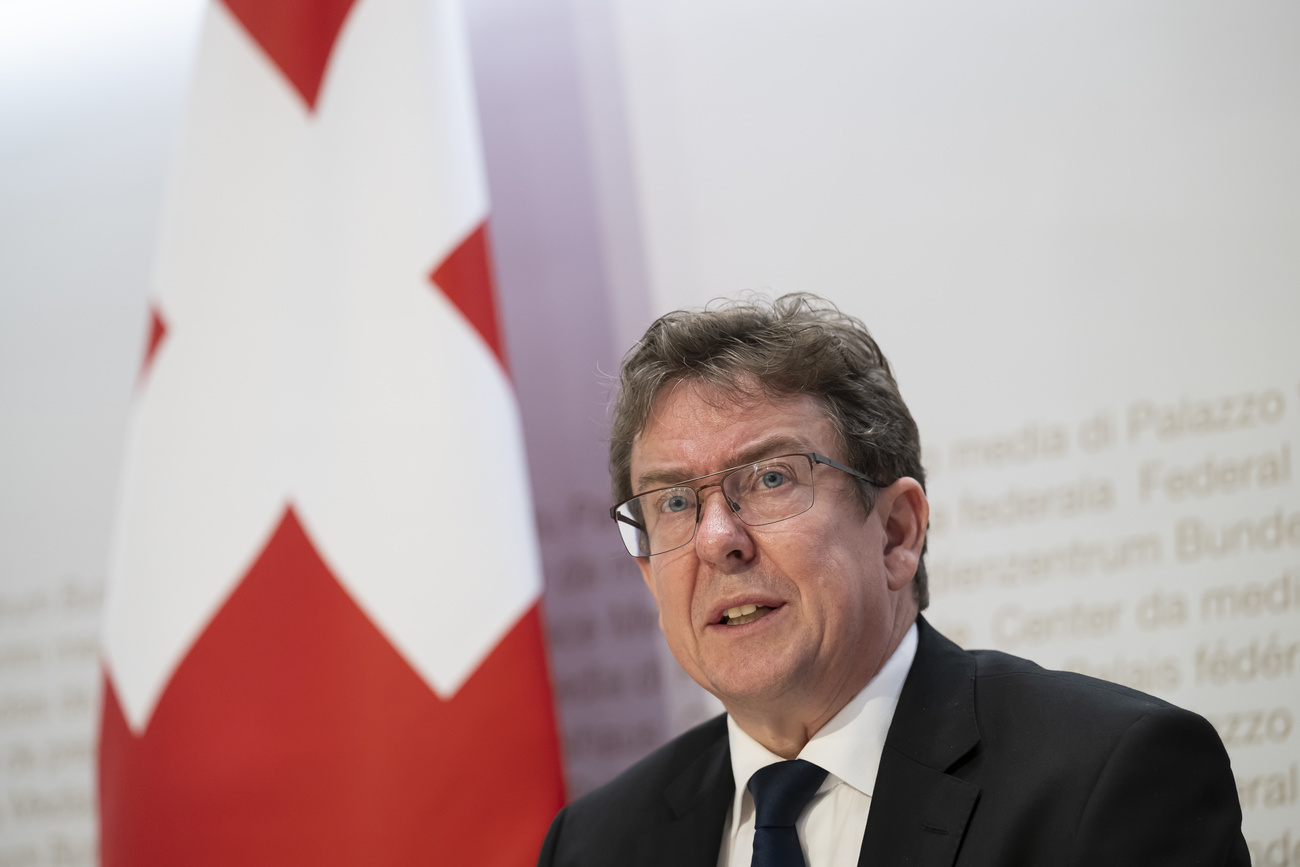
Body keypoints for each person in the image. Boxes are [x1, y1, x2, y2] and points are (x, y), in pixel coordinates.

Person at [537, 293, 1247, 867]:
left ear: (897, 532)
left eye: (772, 477)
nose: (719, 537)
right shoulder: (592, 846)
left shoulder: (1108, 779)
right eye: (674, 502)